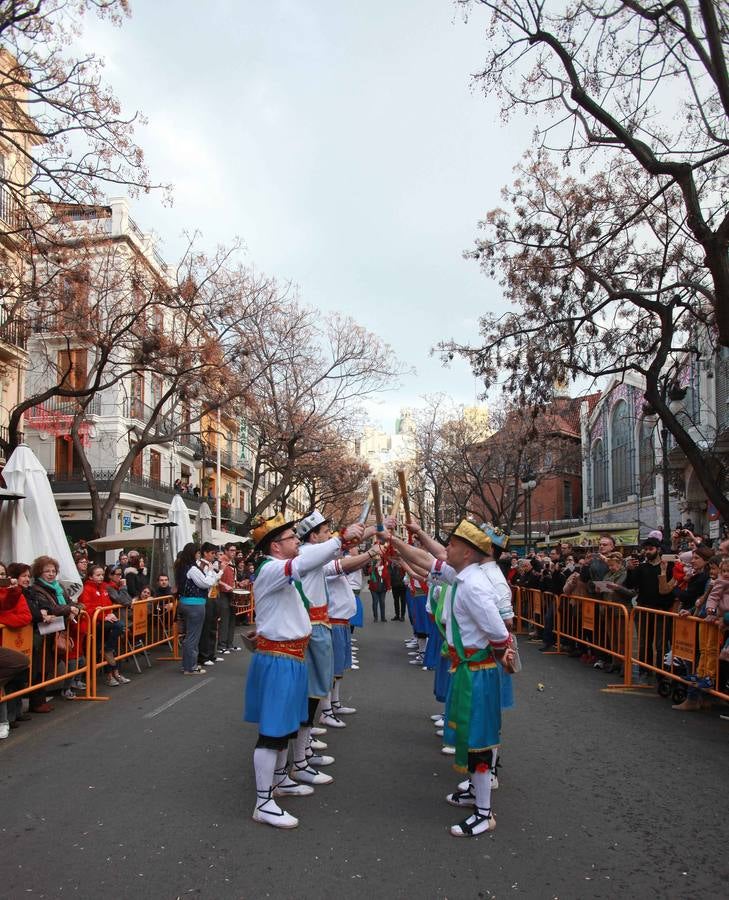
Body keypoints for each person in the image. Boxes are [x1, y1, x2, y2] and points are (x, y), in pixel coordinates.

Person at [391, 519, 515, 836]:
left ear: (470, 553)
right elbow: (428, 561)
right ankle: (476, 793)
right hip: (468, 670)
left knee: (479, 742)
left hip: (478, 672)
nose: (448, 547)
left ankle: (484, 813)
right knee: (469, 737)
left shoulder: (474, 585)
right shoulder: (463, 576)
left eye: (454, 544)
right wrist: (394, 540)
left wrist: (495, 654)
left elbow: (500, 633)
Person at [242, 513, 362, 830]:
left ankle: (280, 780)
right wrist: (342, 539)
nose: (298, 540)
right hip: (280, 660)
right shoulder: (272, 569)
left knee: (285, 728)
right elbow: (304, 564)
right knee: (272, 732)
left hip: (290, 658)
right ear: (275, 546)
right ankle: (263, 802)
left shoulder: (280, 572)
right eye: (291, 537)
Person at [173, 542, 222, 675]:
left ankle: (187, 664)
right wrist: (211, 572)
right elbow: (206, 583)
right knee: (193, 637)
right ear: (193, 553)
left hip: (186, 602)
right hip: (194, 604)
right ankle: (191, 667)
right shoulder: (192, 568)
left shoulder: (182, 567)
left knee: (190, 635)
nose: (199, 555)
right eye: (198, 552)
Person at [80, 564, 129, 687]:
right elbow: (88, 608)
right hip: (94, 624)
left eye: (102, 574)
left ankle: (114, 673)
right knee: (118, 628)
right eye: (98, 575)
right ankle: (111, 673)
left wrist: (110, 614)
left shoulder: (103, 588)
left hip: (104, 622)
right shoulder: (86, 589)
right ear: (90, 576)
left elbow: (107, 605)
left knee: (111, 644)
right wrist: (104, 615)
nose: (101, 577)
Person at [217, 542, 237, 653]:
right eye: (231, 550)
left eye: (235, 550)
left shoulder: (231, 562)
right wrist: (225, 585)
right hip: (223, 593)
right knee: (224, 620)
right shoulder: (220, 562)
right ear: (226, 551)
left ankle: (229, 643)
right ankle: (222, 645)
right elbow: (215, 578)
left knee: (232, 619)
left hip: (232, 593)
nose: (234, 552)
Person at [367, 557, 390, 622]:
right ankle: (375, 617)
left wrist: (388, 587)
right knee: (375, 602)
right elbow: (369, 572)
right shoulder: (373, 567)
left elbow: (387, 578)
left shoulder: (385, 567)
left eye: (379, 560)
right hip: (373, 588)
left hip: (383, 587)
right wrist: (374, 566)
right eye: (377, 560)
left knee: (382, 602)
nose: (378, 561)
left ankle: (383, 617)